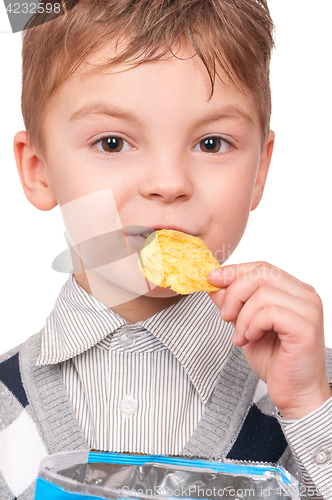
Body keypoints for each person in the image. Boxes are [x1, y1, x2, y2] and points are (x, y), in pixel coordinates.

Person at [0, 0, 331, 498]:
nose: (169, 183)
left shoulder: (312, 392)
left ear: (260, 171)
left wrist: (309, 406)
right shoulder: (8, 404)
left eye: (212, 143)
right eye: (112, 143)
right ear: (39, 170)